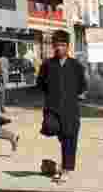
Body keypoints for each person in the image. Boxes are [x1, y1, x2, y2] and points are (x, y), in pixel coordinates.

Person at [37, 29, 87, 183]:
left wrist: (74, 96)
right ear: (53, 47)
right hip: (52, 108)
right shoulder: (47, 65)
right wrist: (52, 95)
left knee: (69, 138)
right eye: (57, 45)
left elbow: (82, 86)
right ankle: (61, 138)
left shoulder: (76, 66)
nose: (59, 48)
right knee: (51, 127)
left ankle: (66, 169)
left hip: (71, 109)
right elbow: (40, 84)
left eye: (63, 45)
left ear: (68, 47)